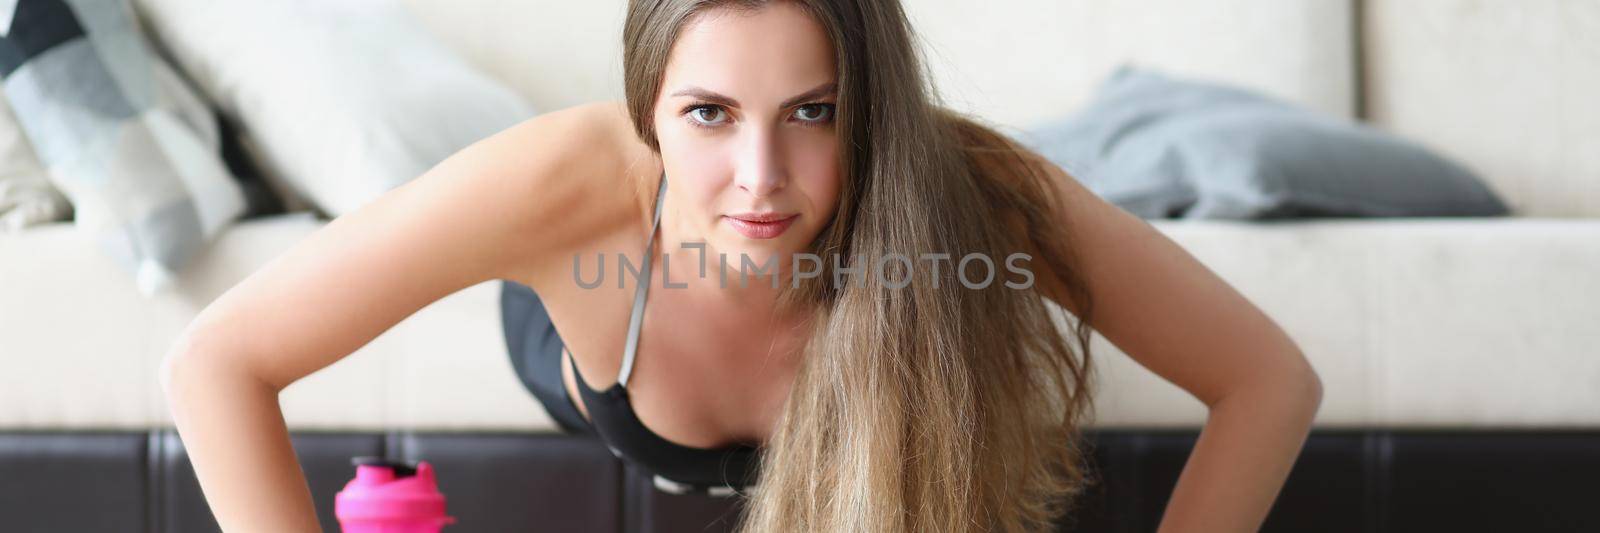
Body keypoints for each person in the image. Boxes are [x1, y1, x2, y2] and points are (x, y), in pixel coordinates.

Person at [161, 1, 1324, 531]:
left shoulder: (971, 198)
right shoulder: (557, 188)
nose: (760, 175)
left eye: (812, 111)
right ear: (649, 116)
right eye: (709, 113)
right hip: (587, 328)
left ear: (869, 112)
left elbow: (1269, 377)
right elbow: (218, 359)